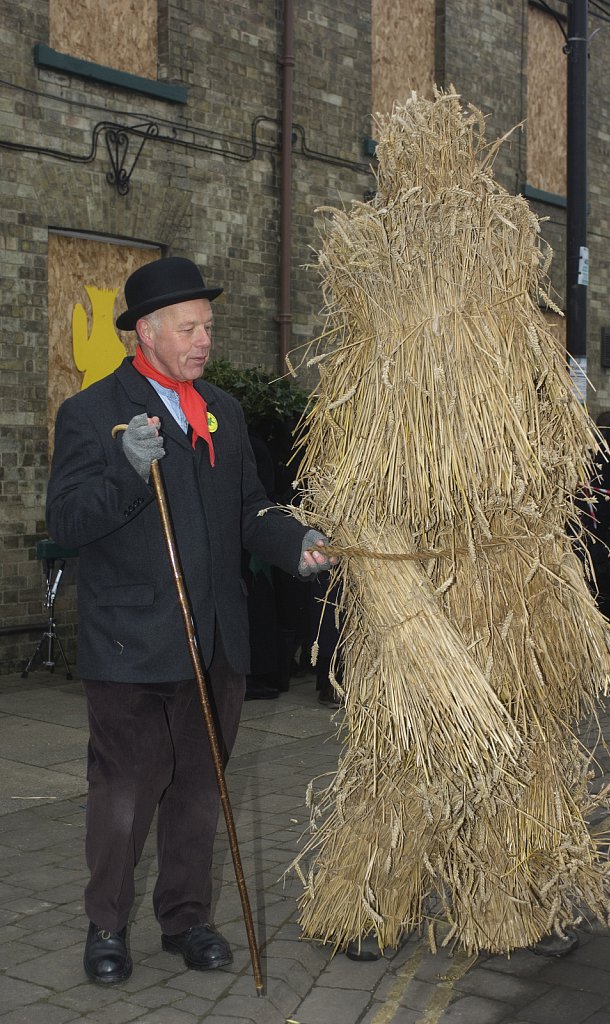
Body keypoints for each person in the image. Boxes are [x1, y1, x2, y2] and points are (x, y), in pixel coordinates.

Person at [46, 256, 334, 984]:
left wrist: (293, 541)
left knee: (200, 790)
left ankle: (186, 919)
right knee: (124, 792)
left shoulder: (222, 412)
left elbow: (249, 508)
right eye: (190, 326)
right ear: (145, 331)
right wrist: (125, 470)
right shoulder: (91, 412)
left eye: (208, 325)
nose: (205, 339)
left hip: (216, 641)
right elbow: (69, 522)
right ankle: (106, 925)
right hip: (131, 643)